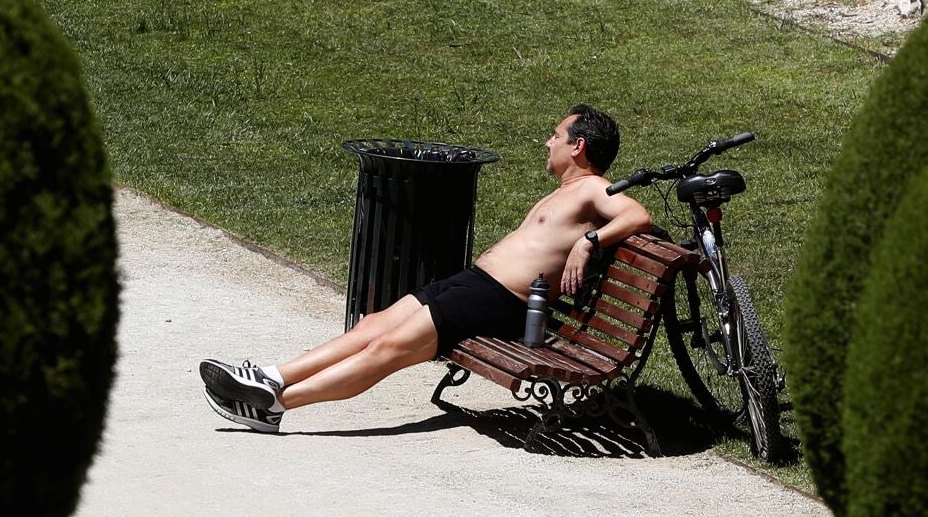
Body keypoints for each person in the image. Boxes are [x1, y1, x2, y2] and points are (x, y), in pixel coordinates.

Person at [200, 104, 653, 432]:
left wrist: (589, 242)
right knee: (373, 325)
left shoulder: (593, 189)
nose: (548, 143)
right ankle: (271, 377)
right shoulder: (567, 190)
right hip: (476, 285)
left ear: (578, 146)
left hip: (500, 301)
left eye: (555, 136)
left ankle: (275, 404)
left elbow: (638, 215)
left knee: (389, 348)